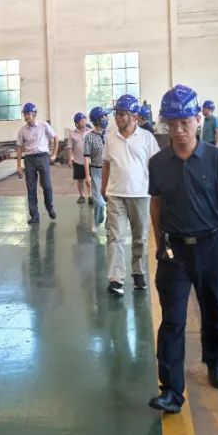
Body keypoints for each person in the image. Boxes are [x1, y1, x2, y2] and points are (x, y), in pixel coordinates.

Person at [147, 85, 218, 414]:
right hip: (174, 252)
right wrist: (158, 241)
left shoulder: (217, 159)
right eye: (172, 123)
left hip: (210, 246)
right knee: (172, 320)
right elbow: (156, 204)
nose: (178, 130)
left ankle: (215, 362)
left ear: (197, 120)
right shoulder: (158, 163)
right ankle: (171, 390)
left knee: (214, 308)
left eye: (184, 122)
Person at [102, 94, 160, 297]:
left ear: (134, 116)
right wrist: (104, 187)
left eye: (122, 114)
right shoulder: (110, 138)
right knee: (115, 237)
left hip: (141, 194)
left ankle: (138, 272)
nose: (118, 118)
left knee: (140, 237)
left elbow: (156, 166)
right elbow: (106, 164)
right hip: (115, 194)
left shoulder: (147, 138)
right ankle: (115, 278)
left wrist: (157, 191)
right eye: (116, 114)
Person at [15, 102, 58, 224]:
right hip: (29, 159)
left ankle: (49, 207)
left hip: (43, 157)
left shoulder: (43, 125)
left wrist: (54, 154)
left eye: (28, 114)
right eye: (24, 114)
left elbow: (55, 137)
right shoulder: (22, 130)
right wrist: (19, 165)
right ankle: (34, 215)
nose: (26, 116)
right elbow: (19, 148)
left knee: (47, 185)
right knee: (31, 188)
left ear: (34, 114)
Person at [83, 106, 109, 234]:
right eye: (103, 117)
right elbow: (86, 157)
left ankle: (109, 225)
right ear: (96, 120)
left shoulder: (110, 134)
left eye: (106, 116)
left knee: (112, 200)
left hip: (110, 170)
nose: (106, 119)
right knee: (99, 201)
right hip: (96, 171)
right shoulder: (89, 137)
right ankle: (98, 221)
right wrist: (87, 175)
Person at [68, 112, 92, 205]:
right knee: (80, 180)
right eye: (81, 120)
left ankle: (90, 196)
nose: (84, 122)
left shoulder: (90, 132)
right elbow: (70, 147)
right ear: (76, 122)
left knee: (89, 179)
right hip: (78, 161)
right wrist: (70, 159)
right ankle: (81, 196)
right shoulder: (72, 134)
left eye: (84, 120)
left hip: (89, 161)